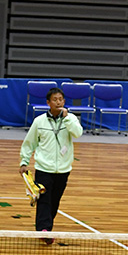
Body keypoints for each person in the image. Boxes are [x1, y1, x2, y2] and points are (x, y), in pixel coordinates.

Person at [20, 87, 82, 244]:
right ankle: (43, 230)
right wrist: (24, 161)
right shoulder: (39, 121)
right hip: (43, 168)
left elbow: (78, 133)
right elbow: (29, 142)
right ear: (48, 102)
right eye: (55, 99)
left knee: (55, 200)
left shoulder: (71, 119)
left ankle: (46, 227)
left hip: (63, 169)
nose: (58, 102)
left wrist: (67, 118)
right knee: (44, 199)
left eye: (61, 99)